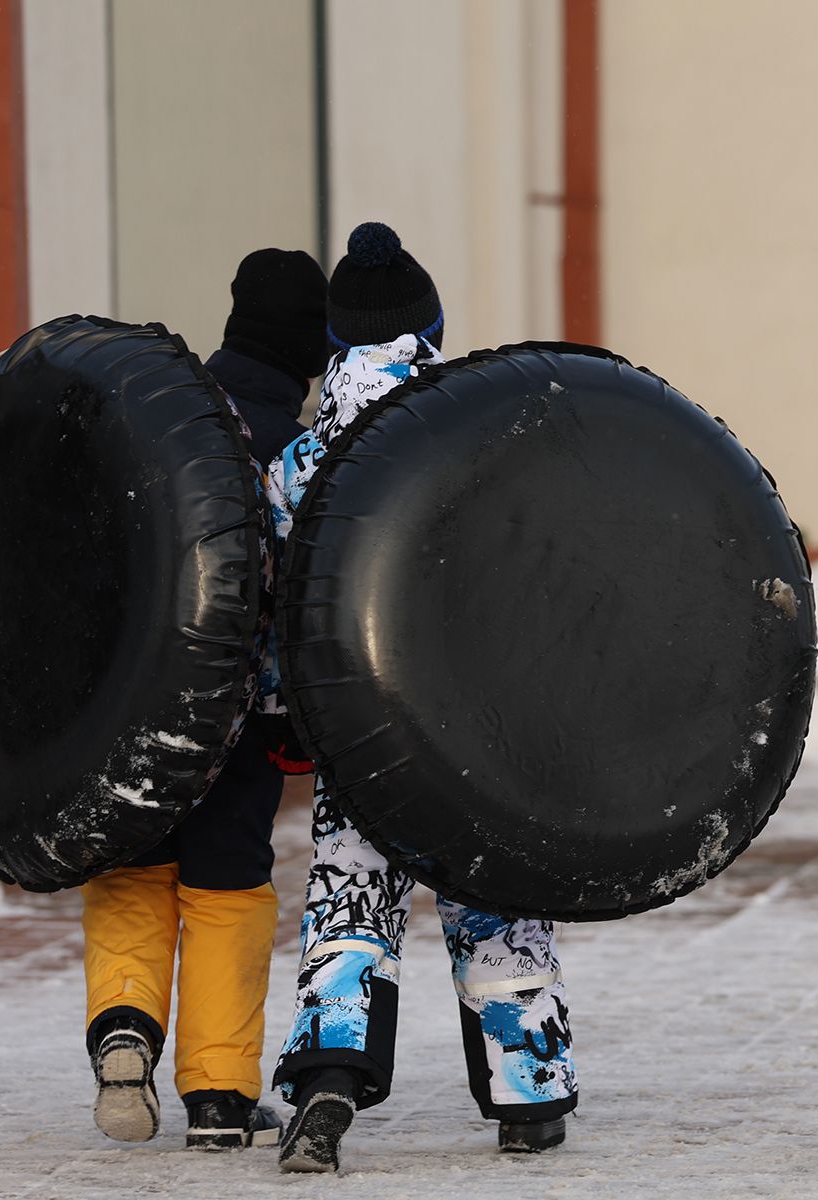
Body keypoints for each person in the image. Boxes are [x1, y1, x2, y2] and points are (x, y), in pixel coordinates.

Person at [261, 223, 578, 1175]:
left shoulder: (298, 464)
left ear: (335, 345)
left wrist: (287, 713)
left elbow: (277, 607)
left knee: (349, 907)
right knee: (496, 900)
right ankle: (529, 1100)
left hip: (360, 733)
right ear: (430, 331)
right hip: (482, 728)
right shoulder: (482, 434)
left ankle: (326, 1082)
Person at [83, 248, 326, 1150]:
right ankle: (220, 1096)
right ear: (307, 348)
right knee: (227, 884)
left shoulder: (165, 418)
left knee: (131, 870)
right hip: (241, 723)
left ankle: (123, 1032)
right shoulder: (295, 452)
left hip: (134, 707)